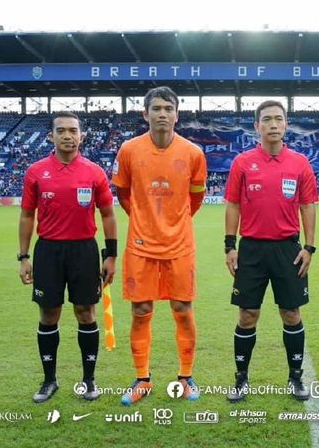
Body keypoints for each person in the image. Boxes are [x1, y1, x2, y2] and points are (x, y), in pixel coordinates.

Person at [112, 86, 207, 405]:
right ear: (145, 114)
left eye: (168, 108)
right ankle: (142, 379)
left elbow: (196, 199)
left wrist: (173, 223)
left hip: (180, 246)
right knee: (141, 311)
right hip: (140, 247)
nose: (162, 113)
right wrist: (144, 221)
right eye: (156, 108)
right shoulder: (128, 150)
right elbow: (123, 194)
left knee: (182, 309)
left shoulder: (193, 153)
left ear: (177, 114)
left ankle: (186, 377)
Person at [19, 111, 117, 403]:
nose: (67, 135)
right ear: (51, 136)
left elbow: (109, 214)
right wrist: (23, 257)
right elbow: (26, 216)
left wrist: (110, 255)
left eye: (73, 130)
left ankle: (89, 380)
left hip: (84, 250)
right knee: (49, 314)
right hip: (48, 250)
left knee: (86, 312)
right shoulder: (36, 171)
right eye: (61, 130)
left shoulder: (94, 172)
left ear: (82, 136)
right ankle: (49, 381)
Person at [223, 100, 317, 402]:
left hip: (288, 249)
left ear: (286, 124)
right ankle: (241, 378)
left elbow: (307, 206)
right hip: (251, 249)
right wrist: (230, 245)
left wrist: (309, 247)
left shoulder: (300, 163)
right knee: (247, 314)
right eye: (267, 119)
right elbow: (233, 204)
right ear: (257, 126)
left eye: (279, 119)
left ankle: (295, 377)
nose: (273, 124)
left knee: (291, 313)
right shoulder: (242, 162)